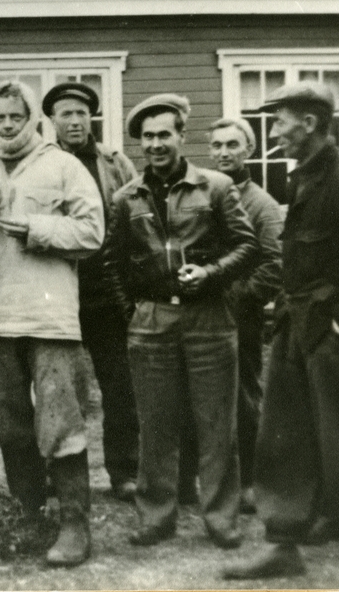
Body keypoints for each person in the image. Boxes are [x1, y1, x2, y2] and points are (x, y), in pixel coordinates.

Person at [223, 82, 339, 589]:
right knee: (283, 440)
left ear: (310, 125)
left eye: (280, 122)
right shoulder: (302, 180)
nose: (274, 130)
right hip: (297, 329)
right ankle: (284, 545)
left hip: (338, 336)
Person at [104, 94, 258, 550]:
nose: (155, 144)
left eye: (164, 134)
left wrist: (210, 274)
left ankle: (220, 518)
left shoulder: (215, 187)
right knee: (156, 424)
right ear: (140, 143)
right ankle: (156, 516)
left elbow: (248, 247)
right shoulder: (125, 198)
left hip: (209, 317)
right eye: (147, 137)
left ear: (181, 136)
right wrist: (132, 311)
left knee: (217, 423)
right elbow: (113, 263)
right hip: (151, 321)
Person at [0, 81, 104, 567]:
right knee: (9, 426)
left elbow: (91, 232)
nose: (6, 126)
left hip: (49, 317)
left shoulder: (62, 166)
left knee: (59, 422)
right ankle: (29, 513)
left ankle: (73, 523)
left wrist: (37, 229)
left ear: (33, 120)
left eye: (14, 117)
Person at [41, 82, 142, 501]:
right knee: (58, 390)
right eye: (66, 114)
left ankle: (124, 472)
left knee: (121, 387)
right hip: (58, 295)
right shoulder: (41, 164)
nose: (76, 121)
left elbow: (138, 215)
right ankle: (53, 473)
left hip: (108, 297)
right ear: (52, 121)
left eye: (82, 113)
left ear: (92, 118)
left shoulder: (115, 164)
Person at [179, 118, 284, 510]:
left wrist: (235, 299)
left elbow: (273, 264)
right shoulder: (200, 196)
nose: (224, 152)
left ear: (249, 151)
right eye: (218, 145)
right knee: (193, 396)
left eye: (233, 145)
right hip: (197, 314)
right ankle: (188, 481)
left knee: (243, 397)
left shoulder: (263, 204)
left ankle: (249, 483)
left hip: (240, 316)